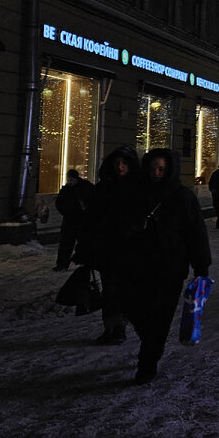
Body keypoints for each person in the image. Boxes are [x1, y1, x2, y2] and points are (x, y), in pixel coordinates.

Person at [118, 147, 211, 384]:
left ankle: (148, 362)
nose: (156, 174)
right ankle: (149, 342)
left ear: (170, 169)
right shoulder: (136, 193)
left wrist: (201, 267)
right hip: (137, 264)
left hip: (170, 268)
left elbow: (196, 233)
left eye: (161, 169)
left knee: (160, 317)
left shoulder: (182, 196)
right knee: (133, 307)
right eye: (152, 169)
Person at [78, 146, 145, 345]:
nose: (120, 167)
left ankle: (121, 327)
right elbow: (90, 220)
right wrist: (85, 246)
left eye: (124, 163)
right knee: (109, 290)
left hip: (129, 249)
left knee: (124, 290)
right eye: (117, 163)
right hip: (107, 249)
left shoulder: (137, 189)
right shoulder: (103, 189)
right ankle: (111, 328)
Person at [53, 169, 93, 271]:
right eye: (69, 179)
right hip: (70, 220)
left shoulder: (85, 187)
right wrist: (66, 212)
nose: (70, 181)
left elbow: (92, 200)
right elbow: (59, 203)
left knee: (83, 243)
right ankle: (62, 264)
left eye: (71, 179)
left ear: (75, 178)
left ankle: (85, 262)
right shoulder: (67, 189)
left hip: (81, 220)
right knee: (66, 243)